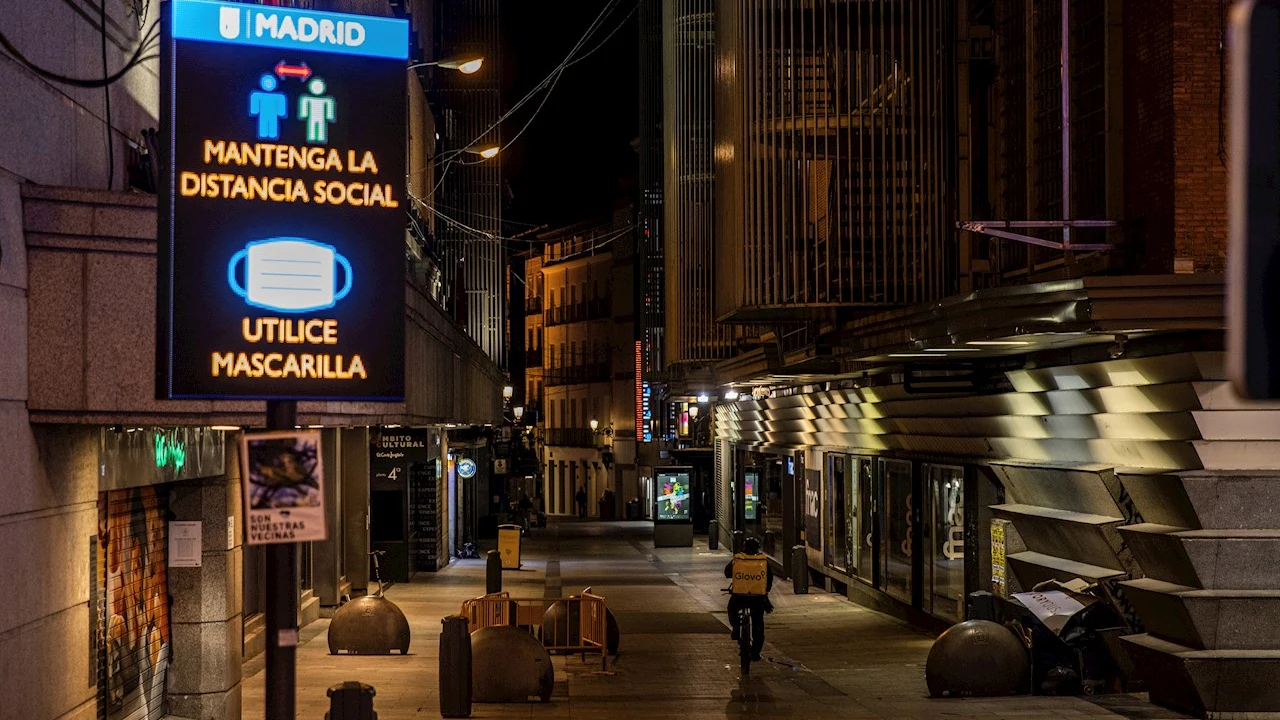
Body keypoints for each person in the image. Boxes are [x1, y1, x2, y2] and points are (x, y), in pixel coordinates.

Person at [724, 537, 773, 661]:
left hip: (739, 597)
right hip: (757, 599)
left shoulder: (739, 559)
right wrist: (765, 591)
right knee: (758, 625)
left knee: (731, 608)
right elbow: (769, 579)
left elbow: (727, 572)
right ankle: (755, 653)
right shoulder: (763, 561)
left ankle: (735, 627)